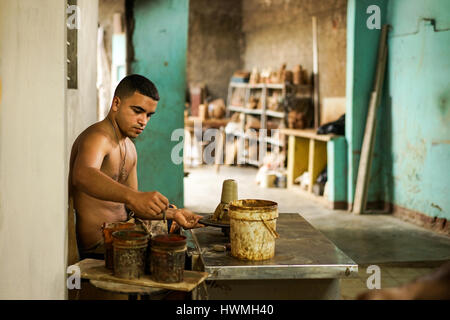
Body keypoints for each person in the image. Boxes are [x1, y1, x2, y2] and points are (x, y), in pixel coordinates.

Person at [69, 74, 203, 259]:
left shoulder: (130, 148)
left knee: (177, 229)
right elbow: (83, 174)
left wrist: (174, 213)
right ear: (116, 104)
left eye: (149, 115)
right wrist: (134, 197)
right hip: (101, 244)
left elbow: (134, 207)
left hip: (125, 232)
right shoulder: (98, 137)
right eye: (137, 111)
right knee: (174, 258)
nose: (144, 121)